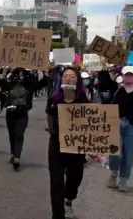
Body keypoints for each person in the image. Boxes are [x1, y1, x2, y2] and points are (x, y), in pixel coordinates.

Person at [46, 68, 89, 219]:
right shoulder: (54, 99)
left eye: (72, 76)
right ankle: (58, 215)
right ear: (61, 80)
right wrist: (52, 131)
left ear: (77, 80)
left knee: (74, 178)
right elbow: (49, 116)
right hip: (57, 145)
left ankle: (69, 199)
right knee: (56, 182)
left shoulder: (83, 100)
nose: (68, 79)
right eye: (65, 76)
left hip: (76, 146)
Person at [103, 66, 133, 192]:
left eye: (131, 75)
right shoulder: (118, 91)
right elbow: (111, 106)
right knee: (114, 153)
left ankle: (123, 179)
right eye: (126, 75)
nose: (128, 77)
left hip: (132, 125)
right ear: (123, 77)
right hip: (117, 124)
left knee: (128, 155)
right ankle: (113, 175)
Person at [2, 67, 47, 171]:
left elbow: (42, 84)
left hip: (22, 112)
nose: (20, 77)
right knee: (12, 135)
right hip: (10, 112)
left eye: (21, 74)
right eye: (18, 74)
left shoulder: (29, 84)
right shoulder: (10, 82)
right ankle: (13, 153)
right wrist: (1, 69)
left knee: (19, 134)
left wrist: (45, 71)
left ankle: (17, 157)